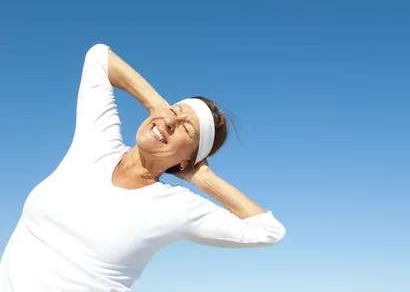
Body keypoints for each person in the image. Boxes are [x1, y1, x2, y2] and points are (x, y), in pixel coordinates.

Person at [0, 43, 286, 291]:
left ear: (189, 159)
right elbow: (99, 58)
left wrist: (205, 179)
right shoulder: (97, 144)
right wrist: (159, 108)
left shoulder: (176, 206)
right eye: (175, 111)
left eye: (186, 128)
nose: (171, 122)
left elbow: (268, 230)